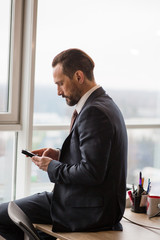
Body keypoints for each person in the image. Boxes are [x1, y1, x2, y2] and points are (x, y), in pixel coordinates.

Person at [0, 48, 127, 240]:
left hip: (87, 209)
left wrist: (52, 167)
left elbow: (92, 172)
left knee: (3, 215)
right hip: (89, 202)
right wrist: (59, 156)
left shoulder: (95, 112)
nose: (59, 91)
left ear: (78, 76)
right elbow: (97, 158)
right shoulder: (104, 104)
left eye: (61, 83)